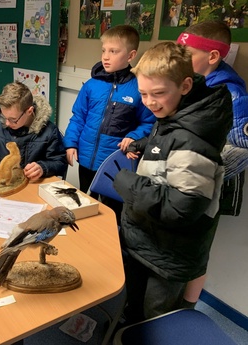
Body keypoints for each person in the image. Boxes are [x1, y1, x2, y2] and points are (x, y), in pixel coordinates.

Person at [113, 42, 233, 323]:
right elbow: (168, 139)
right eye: (143, 94)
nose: (150, 102)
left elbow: (181, 208)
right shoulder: (174, 113)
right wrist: (144, 144)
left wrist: (127, 184)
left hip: (168, 254)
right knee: (135, 309)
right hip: (149, 242)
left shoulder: (195, 141)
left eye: (158, 94)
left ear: (185, 86)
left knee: (157, 320)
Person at [177, 20, 248, 308]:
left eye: (187, 53)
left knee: (196, 248)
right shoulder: (190, 81)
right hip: (180, 178)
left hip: (208, 185)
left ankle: (185, 309)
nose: (180, 60)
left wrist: (198, 172)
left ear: (213, 56)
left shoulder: (232, 94)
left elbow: (240, 150)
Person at [63, 24, 155, 220]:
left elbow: (148, 123)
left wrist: (133, 136)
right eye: (104, 50)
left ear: (130, 56)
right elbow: (78, 117)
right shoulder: (91, 85)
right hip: (86, 159)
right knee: (84, 203)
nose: (106, 56)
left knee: (110, 211)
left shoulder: (138, 88)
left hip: (114, 163)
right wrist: (71, 143)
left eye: (113, 51)